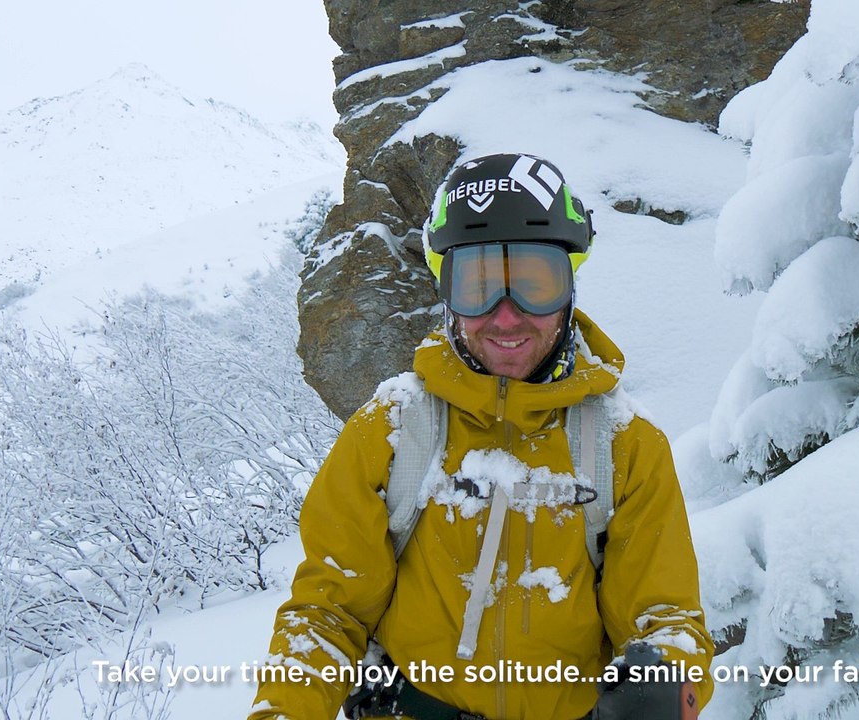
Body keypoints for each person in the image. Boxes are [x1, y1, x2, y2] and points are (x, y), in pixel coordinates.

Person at [249, 153, 713, 719]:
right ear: (447, 294)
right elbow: (329, 611)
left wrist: (665, 679)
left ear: (569, 287)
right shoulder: (391, 431)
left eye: (535, 283)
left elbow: (663, 616)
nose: (506, 316)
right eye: (478, 286)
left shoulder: (624, 445)